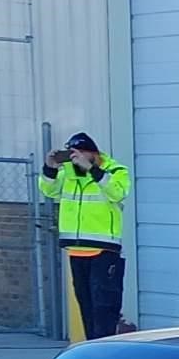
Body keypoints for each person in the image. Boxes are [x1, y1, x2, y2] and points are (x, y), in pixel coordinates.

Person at [40, 133, 131, 339]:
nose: (76, 159)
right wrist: (50, 168)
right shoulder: (68, 173)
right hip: (77, 249)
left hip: (104, 249)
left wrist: (93, 170)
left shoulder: (115, 171)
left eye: (80, 154)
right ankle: (91, 347)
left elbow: (117, 192)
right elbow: (49, 191)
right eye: (72, 154)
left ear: (93, 153)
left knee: (104, 306)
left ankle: (105, 349)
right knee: (86, 305)